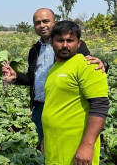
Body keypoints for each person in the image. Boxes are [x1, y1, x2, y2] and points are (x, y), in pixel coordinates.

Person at [1, 8, 108, 151]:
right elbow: (33, 79)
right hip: (40, 109)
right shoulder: (34, 50)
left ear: (54, 22)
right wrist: (16, 77)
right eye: (37, 23)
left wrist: (104, 64)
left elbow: (90, 66)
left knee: (71, 150)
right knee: (48, 151)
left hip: (65, 109)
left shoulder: (69, 45)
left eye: (46, 21)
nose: (42, 25)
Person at [43, 20, 109, 164]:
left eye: (70, 40)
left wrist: (87, 145)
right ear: (51, 43)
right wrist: (45, 139)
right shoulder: (53, 69)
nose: (65, 45)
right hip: (55, 145)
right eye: (60, 40)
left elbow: (100, 105)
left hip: (76, 148)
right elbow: (53, 104)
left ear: (79, 43)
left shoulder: (88, 66)